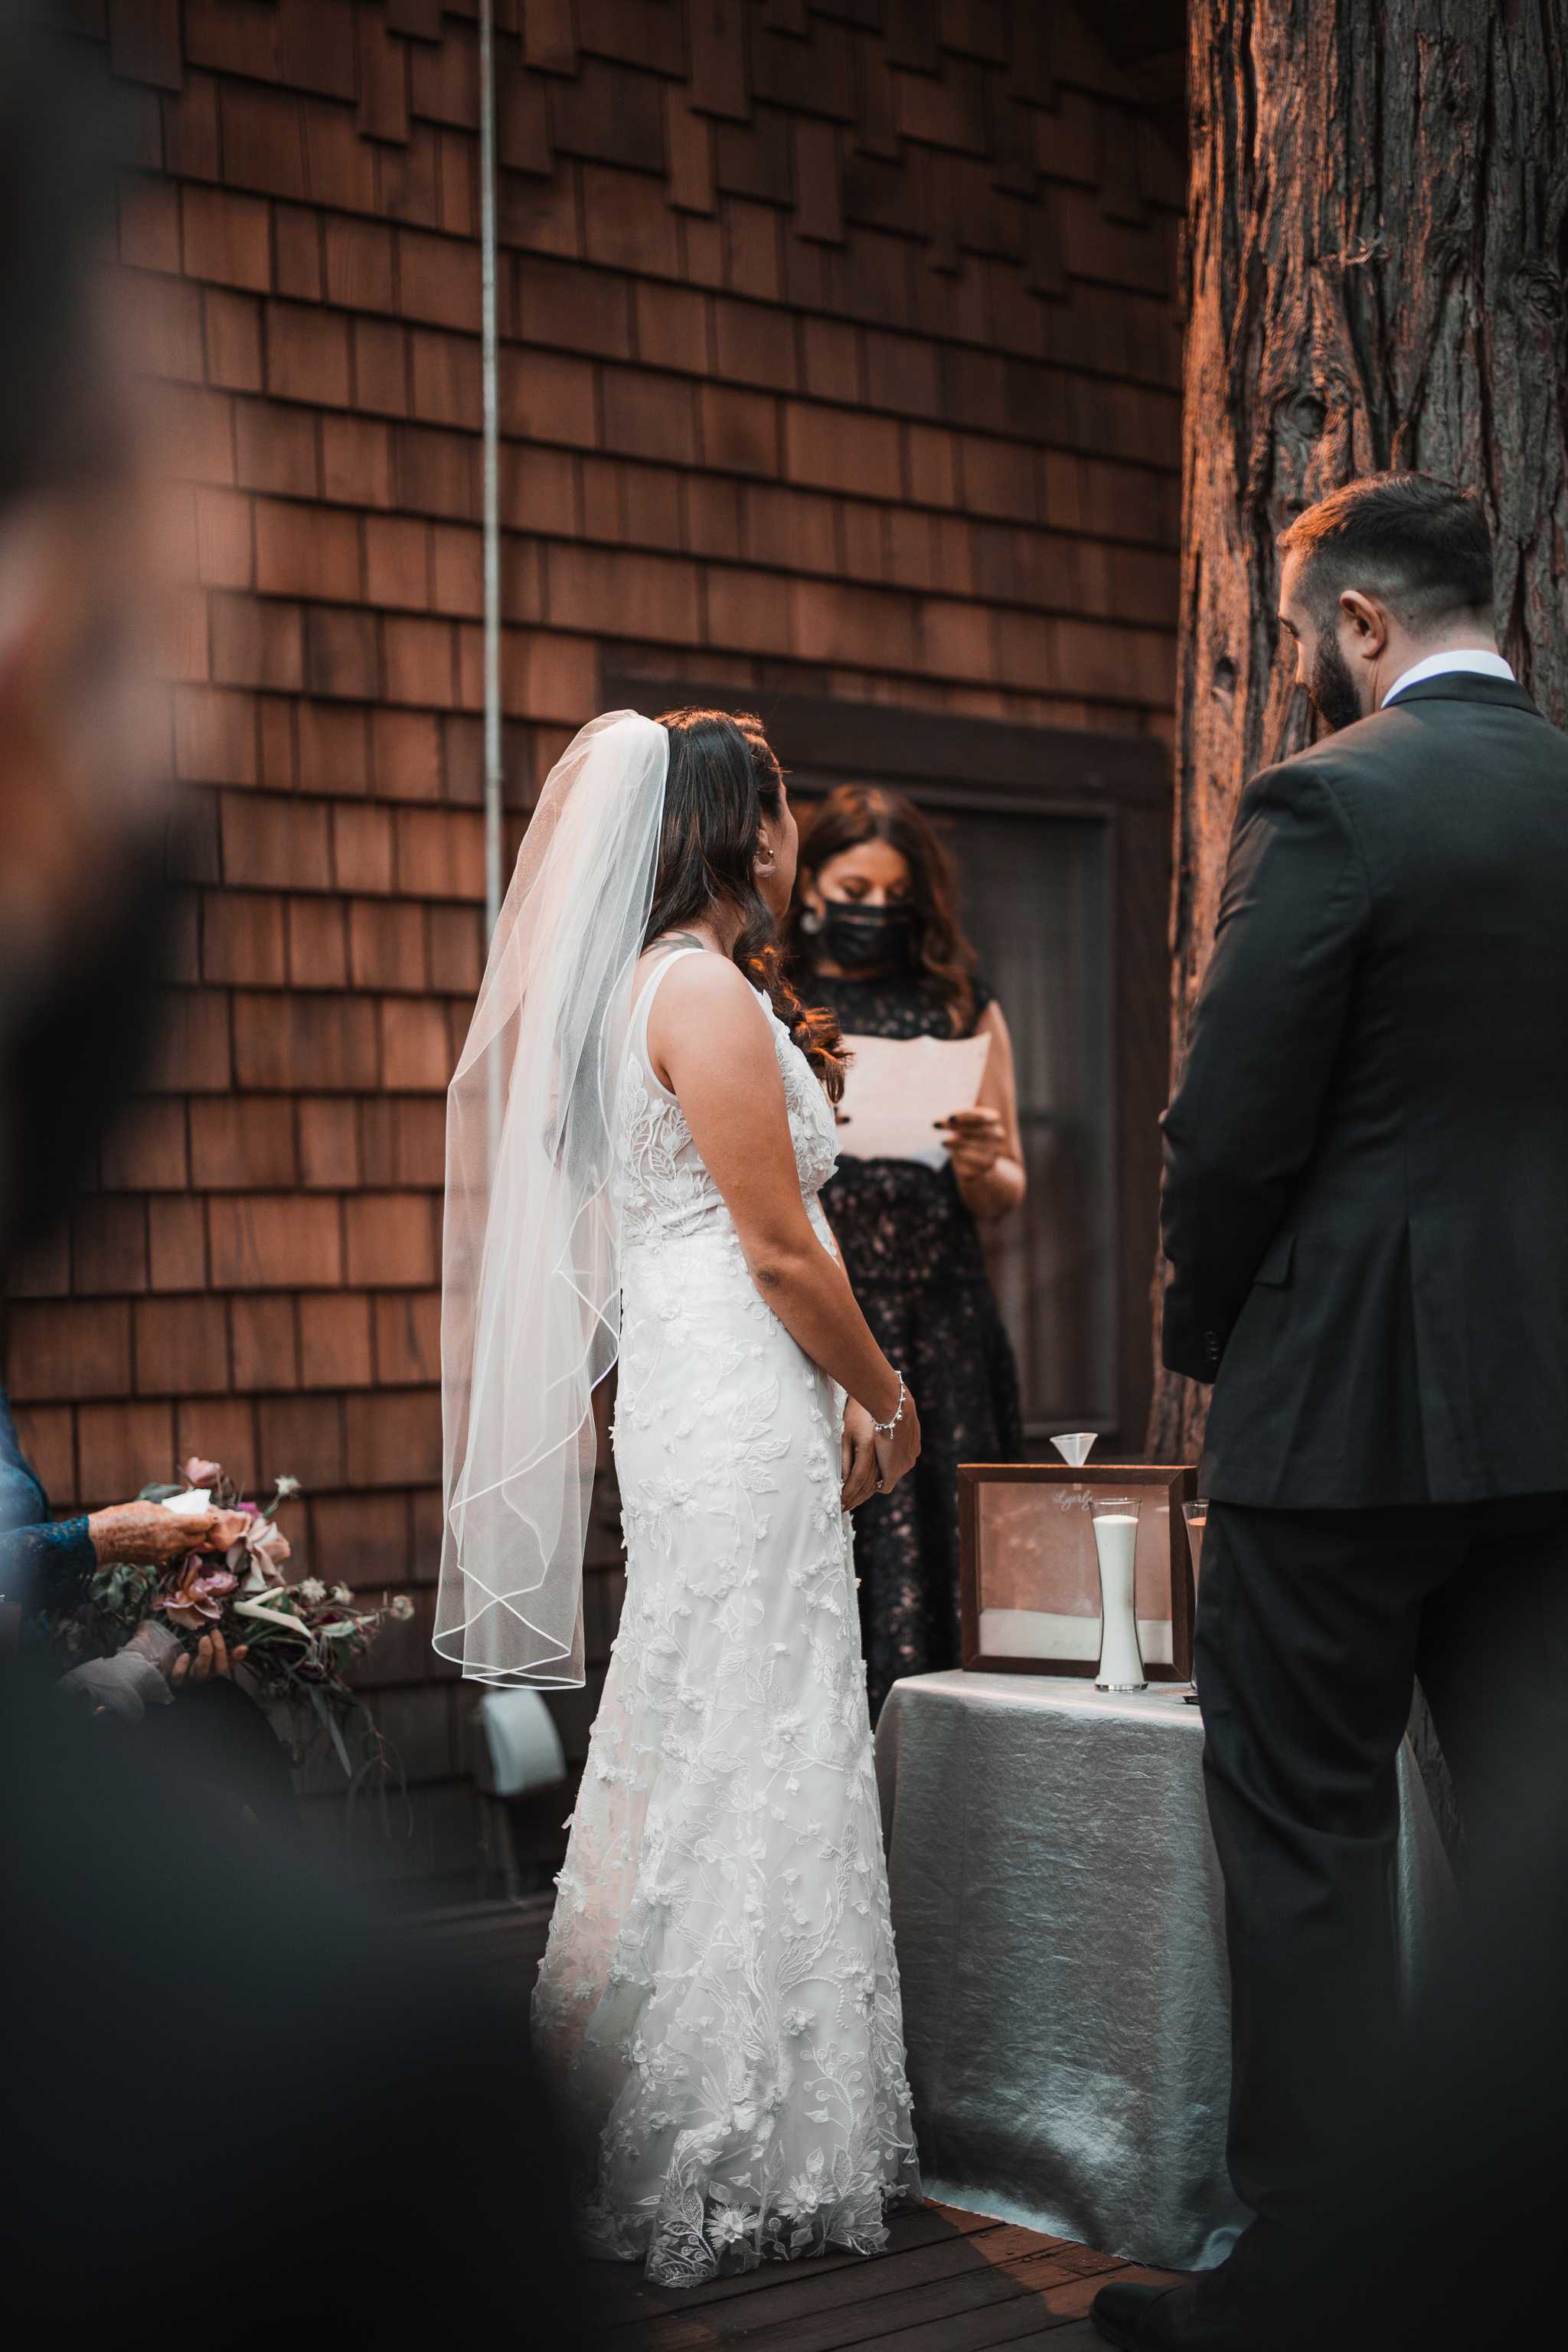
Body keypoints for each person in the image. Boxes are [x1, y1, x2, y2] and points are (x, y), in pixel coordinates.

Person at [1092, 472, 1568, 2350]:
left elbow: (1224, 1131)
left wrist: (1208, 1334)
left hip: (1344, 1411)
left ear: (1358, 626)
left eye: (1304, 641)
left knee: (1302, 1840)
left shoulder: (1330, 799)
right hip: (1552, 1422)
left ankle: (1317, 2291)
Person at [438, 709, 923, 2285]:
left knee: (718, 1711)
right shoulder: (698, 985)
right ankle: (727, 2122)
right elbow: (777, 1246)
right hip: (734, 1388)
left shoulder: (635, 989)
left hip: (701, 1389)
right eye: (777, 813)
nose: (791, 841)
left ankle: (708, 2094)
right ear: (739, 827)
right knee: (749, 1717)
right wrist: (884, 1390)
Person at [786, 786, 1024, 1717]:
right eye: (854, 888)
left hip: (945, 1321)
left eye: (893, 897)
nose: (872, 913)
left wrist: (979, 1163)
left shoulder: (961, 1002)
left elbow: (1007, 1188)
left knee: (947, 1551)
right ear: (811, 886)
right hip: (833, 1318)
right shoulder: (781, 998)